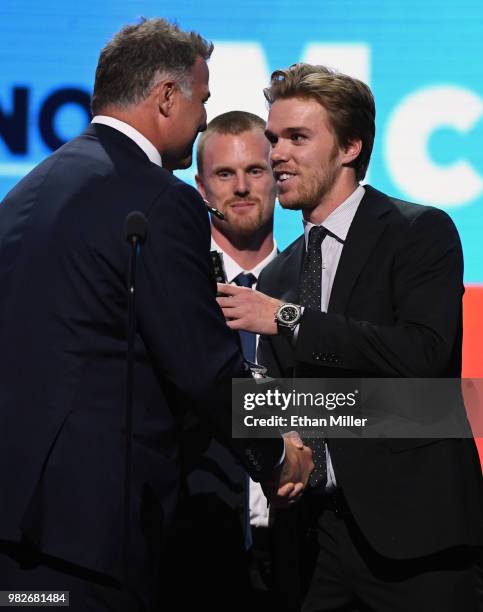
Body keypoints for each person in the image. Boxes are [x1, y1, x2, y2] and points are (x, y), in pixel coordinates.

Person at [0, 23, 313, 612]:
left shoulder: (26, 194)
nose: (202, 119)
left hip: (18, 532)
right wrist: (276, 452)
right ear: (167, 97)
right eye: (203, 99)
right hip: (91, 538)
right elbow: (200, 366)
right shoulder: (161, 199)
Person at [216, 63, 483, 611]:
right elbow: (287, 404)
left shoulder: (418, 232)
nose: (277, 155)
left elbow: (423, 363)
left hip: (415, 540)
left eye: (297, 138)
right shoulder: (278, 275)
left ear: (350, 146)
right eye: (274, 138)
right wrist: (276, 443)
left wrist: (290, 321)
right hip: (313, 544)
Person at [167, 110, 279, 612]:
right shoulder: (171, 288)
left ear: (278, 175)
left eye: (255, 171)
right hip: (195, 544)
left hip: (304, 545)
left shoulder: (319, 286)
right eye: (224, 174)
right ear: (200, 187)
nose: (241, 188)